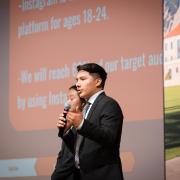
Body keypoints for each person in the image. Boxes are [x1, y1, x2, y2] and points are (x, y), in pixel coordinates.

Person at [56, 63, 124, 180]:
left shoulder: (109, 104)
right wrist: (67, 132)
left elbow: (110, 137)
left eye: (83, 79)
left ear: (98, 82)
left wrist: (81, 124)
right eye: (77, 80)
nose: (77, 84)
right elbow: (80, 147)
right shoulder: (86, 108)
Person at [51, 85, 85, 180]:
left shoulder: (86, 125)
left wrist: (56, 176)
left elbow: (71, 158)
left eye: (72, 98)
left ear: (83, 102)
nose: (67, 103)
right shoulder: (70, 124)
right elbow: (64, 153)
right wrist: (65, 130)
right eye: (67, 98)